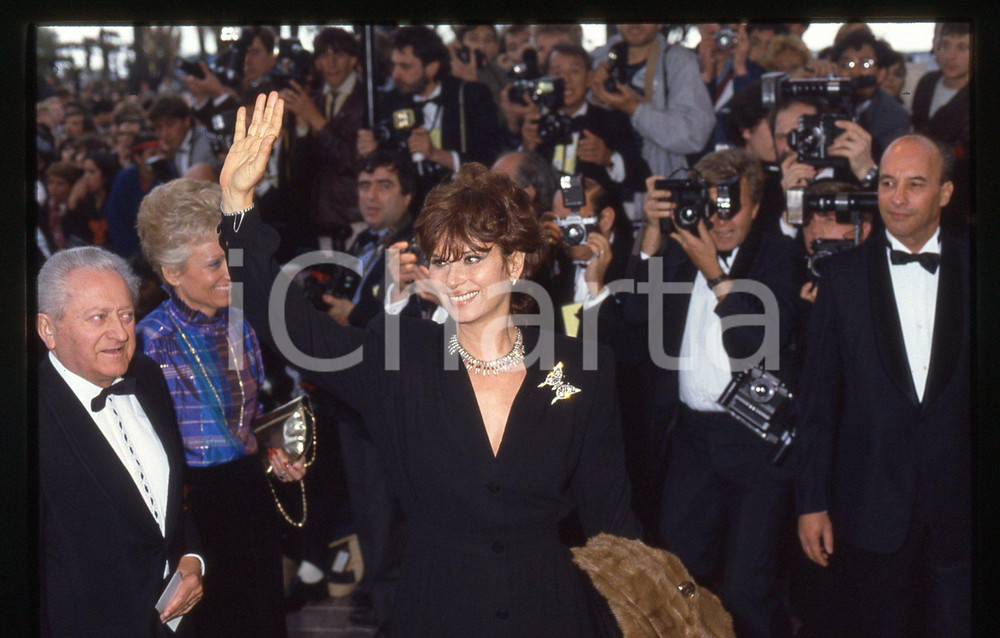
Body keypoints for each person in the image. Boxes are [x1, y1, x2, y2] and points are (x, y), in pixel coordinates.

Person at [220, 91, 640, 636]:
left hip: (551, 610)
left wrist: (646, 614)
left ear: (514, 262)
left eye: (473, 258)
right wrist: (236, 207)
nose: (456, 278)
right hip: (435, 607)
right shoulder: (399, 357)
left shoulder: (583, 366)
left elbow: (613, 521)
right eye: (442, 261)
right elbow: (292, 328)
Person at [793, 134, 970, 637]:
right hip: (868, 507)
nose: (897, 198)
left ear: (945, 193)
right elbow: (817, 404)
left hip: (961, 508)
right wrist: (812, 502)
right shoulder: (841, 278)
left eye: (915, 185)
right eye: (888, 183)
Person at [637, 148, 801, 638]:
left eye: (734, 203)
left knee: (749, 588)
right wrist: (651, 234)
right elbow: (633, 323)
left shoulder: (779, 256)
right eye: (711, 204)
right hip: (691, 440)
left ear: (755, 207)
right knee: (679, 578)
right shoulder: (679, 250)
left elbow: (759, 344)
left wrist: (716, 273)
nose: (721, 217)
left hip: (756, 444)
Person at [135, 177, 305, 638]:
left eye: (232, 258)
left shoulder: (243, 321)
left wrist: (275, 454)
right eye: (213, 263)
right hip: (193, 517)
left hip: (249, 500)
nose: (231, 272)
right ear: (172, 273)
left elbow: (244, 422)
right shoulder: (148, 345)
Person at [37, 246, 204, 637]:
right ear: (48, 329)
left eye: (126, 315)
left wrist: (192, 558)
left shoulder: (146, 375)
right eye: (98, 318)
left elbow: (170, 500)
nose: (120, 333)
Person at [590, 23, 715, 220]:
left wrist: (635, 109)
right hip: (605, 198)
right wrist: (595, 96)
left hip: (661, 192)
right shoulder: (598, 59)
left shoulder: (677, 61)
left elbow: (695, 134)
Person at [520, 44, 650, 201]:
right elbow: (516, 183)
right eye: (557, 73)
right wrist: (527, 147)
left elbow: (642, 179)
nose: (565, 80)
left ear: (589, 79)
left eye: (574, 71)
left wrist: (609, 159)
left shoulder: (611, 121)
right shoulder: (535, 124)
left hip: (601, 218)